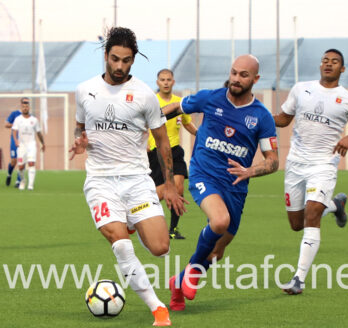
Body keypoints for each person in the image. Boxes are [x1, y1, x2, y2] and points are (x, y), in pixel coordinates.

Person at [69, 27, 188, 326]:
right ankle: (157, 308)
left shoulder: (146, 96)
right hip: (100, 181)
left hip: (136, 179)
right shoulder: (84, 90)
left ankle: (131, 221)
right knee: (121, 245)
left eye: (126, 60)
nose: (120, 66)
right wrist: (79, 140)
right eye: (115, 59)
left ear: (134, 60)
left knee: (161, 248)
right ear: (106, 55)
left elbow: (163, 141)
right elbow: (79, 127)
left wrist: (171, 187)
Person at [163, 54, 279, 310]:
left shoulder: (261, 117)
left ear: (256, 79)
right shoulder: (210, 98)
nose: (236, 79)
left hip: (236, 186)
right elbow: (177, 107)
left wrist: (251, 171)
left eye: (243, 75)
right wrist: (149, 121)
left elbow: (273, 161)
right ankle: (192, 272)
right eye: (234, 72)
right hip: (204, 174)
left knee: (215, 253)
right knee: (219, 221)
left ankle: (178, 283)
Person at [273, 49, 348, 295]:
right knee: (297, 224)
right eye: (325, 61)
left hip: (324, 164)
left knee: (313, 213)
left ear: (342, 69)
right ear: (321, 65)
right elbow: (284, 119)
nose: (329, 64)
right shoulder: (301, 89)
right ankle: (336, 206)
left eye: (335, 61)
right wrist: (254, 114)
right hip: (296, 163)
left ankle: (298, 279)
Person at [148, 68, 197, 240]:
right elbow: (142, 127)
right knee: (158, 192)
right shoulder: (152, 101)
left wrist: (202, 136)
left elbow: (187, 124)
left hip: (175, 150)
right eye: (162, 79)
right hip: (156, 152)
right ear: (157, 82)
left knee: (178, 187)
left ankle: (173, 229)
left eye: (169, 79)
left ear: (173, 82)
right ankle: (141, 212)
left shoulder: (179, 103)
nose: (166, 82)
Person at [12, 97, 45, 190]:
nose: (25, 108)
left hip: (31, 145)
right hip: (21, 145)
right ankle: (22, 181)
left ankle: (30, 185)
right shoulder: (18, 119)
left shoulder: (34, 120)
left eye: (26, 106)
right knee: (21, 166)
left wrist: (43, 143)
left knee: (31, 163)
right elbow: (14, 130)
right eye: (23, 106)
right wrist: (16, 140)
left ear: (29, 108)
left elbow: (39, 133)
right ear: (21, 108)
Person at [4, 98, 25, 187]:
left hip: (24, 141)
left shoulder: (29, 116)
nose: (26, 105)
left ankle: (18, 181)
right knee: (14, 161)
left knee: (22, 160)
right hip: (14, 139)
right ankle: (9, 175)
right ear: (21, 104)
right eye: (24, 103)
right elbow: (6, 124)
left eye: (27, 103)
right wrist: (16, 125)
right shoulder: (15, 114)